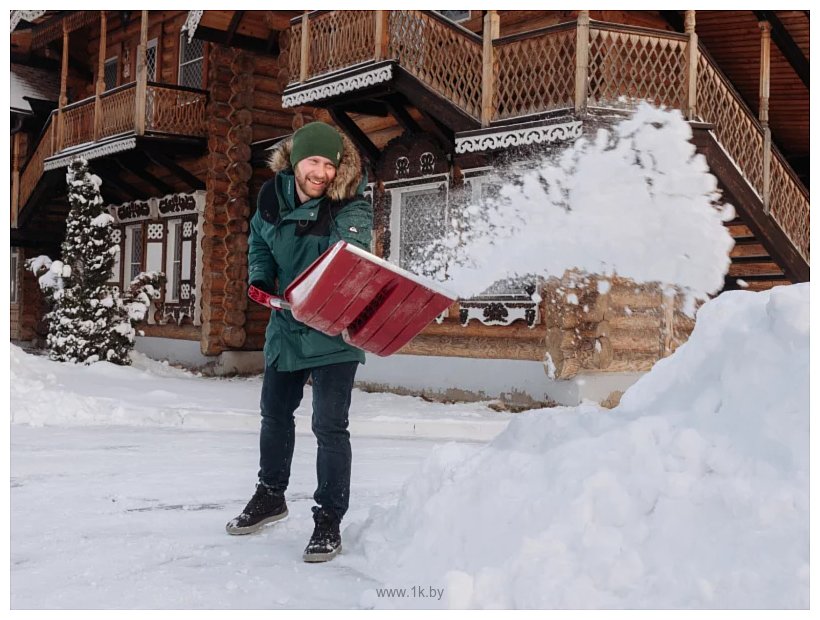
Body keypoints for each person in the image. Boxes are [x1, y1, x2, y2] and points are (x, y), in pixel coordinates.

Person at [226, 122, 373, 563]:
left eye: (330, 164)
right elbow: (260, 243)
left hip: (333, 327)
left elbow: (345, 260)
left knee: (329, 427)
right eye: (314, 162)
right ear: (295, 161)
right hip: (287, 326)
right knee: (274, 415)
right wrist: (258, 277)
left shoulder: (350, 206)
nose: (322, 172)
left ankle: (328, 519)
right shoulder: (270, 199)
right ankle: (271, 494)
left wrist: (308, 293)